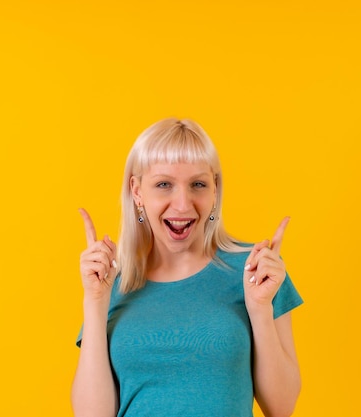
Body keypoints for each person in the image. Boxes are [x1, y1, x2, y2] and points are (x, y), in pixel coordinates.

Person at [71, 118, 303, 417]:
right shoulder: (110, 282)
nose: (182, 205)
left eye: (198, 184)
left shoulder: (256, 271)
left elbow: (282, 407)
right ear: (137, 191)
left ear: (215, 190)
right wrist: (95, 301)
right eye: (164, 184)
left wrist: (259, 309)